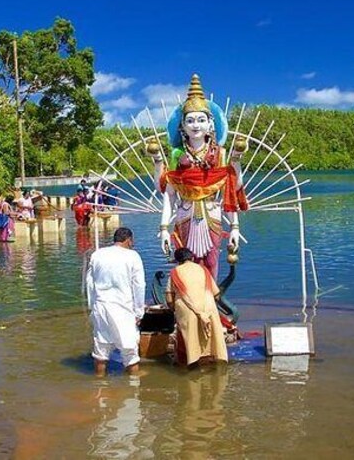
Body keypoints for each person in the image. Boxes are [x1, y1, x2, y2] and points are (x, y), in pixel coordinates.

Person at [152, 74, 248, 279]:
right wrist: (164, 229)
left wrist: (234, 227)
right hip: (185, 215)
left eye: (201, 120)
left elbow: (232, 189)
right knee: (187, 263)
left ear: (211, 124)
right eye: (190, 120)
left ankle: (210, 304)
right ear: (183, 126)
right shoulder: (177, 156)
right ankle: (189, 305)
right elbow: (168, 195)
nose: (196, 125)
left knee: (212, 261)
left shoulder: (220, 154)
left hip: (211, 215)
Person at [85, 227, 145, 375]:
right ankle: (133, 390)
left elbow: (89, 284)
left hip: (101, 306)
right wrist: (139, 312)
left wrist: (92, 306)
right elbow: (139, 285)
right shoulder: (132, 256)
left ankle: (100, 387)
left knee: (101, 351)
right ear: (129, 240)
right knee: (130, 352)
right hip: (122, 308)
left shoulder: (97, 254)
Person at [165, 247, 229, 367]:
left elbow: (169, 296)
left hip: (188, 310)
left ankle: (189, 363)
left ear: (178, 260)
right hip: (208, 308)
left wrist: (172, 308)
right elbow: (216, 294)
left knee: (188, 337)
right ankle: (211, 361)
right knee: (211, 337)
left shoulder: (175, 272)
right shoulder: (203, 269)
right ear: (192, 258)